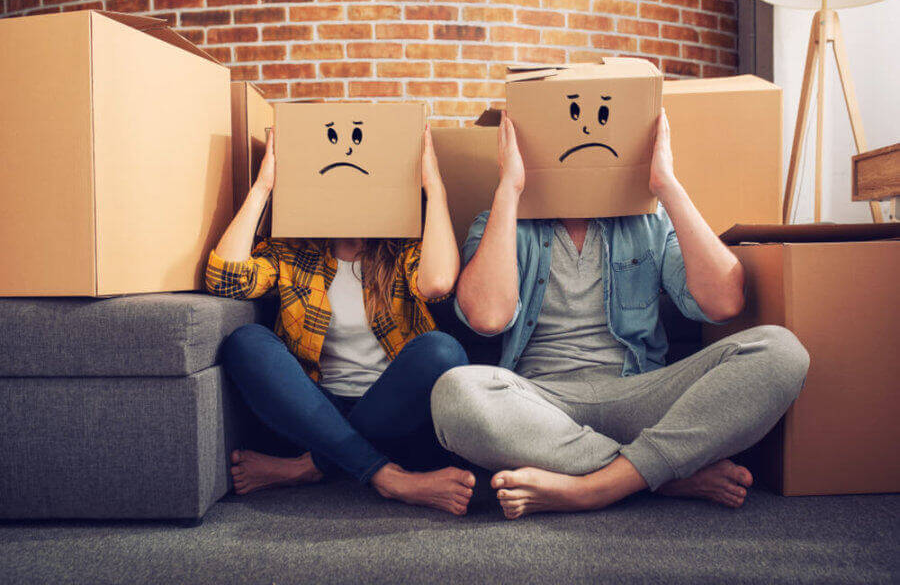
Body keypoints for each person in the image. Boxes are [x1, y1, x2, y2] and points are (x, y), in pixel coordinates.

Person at [431, 109, 810, 519]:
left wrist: (667, 186)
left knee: (780, 351)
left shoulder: (646, 221)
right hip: (542, 407)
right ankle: (665, 476)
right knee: (454, 393)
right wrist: (510, 188)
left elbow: (723, 303)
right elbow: (487, 317)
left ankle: (595, 488)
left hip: (642, 395)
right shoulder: (498, 222)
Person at [207, 125, 475, 516]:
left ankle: (310, 466)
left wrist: (434, 189)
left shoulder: (403, 250)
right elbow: (225, 278)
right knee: (246, 341)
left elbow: (437, 284)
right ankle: (389, 478)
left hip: (392, 413)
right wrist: (263, 186)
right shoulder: (293, 251)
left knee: (442, 350)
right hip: (313, 408)